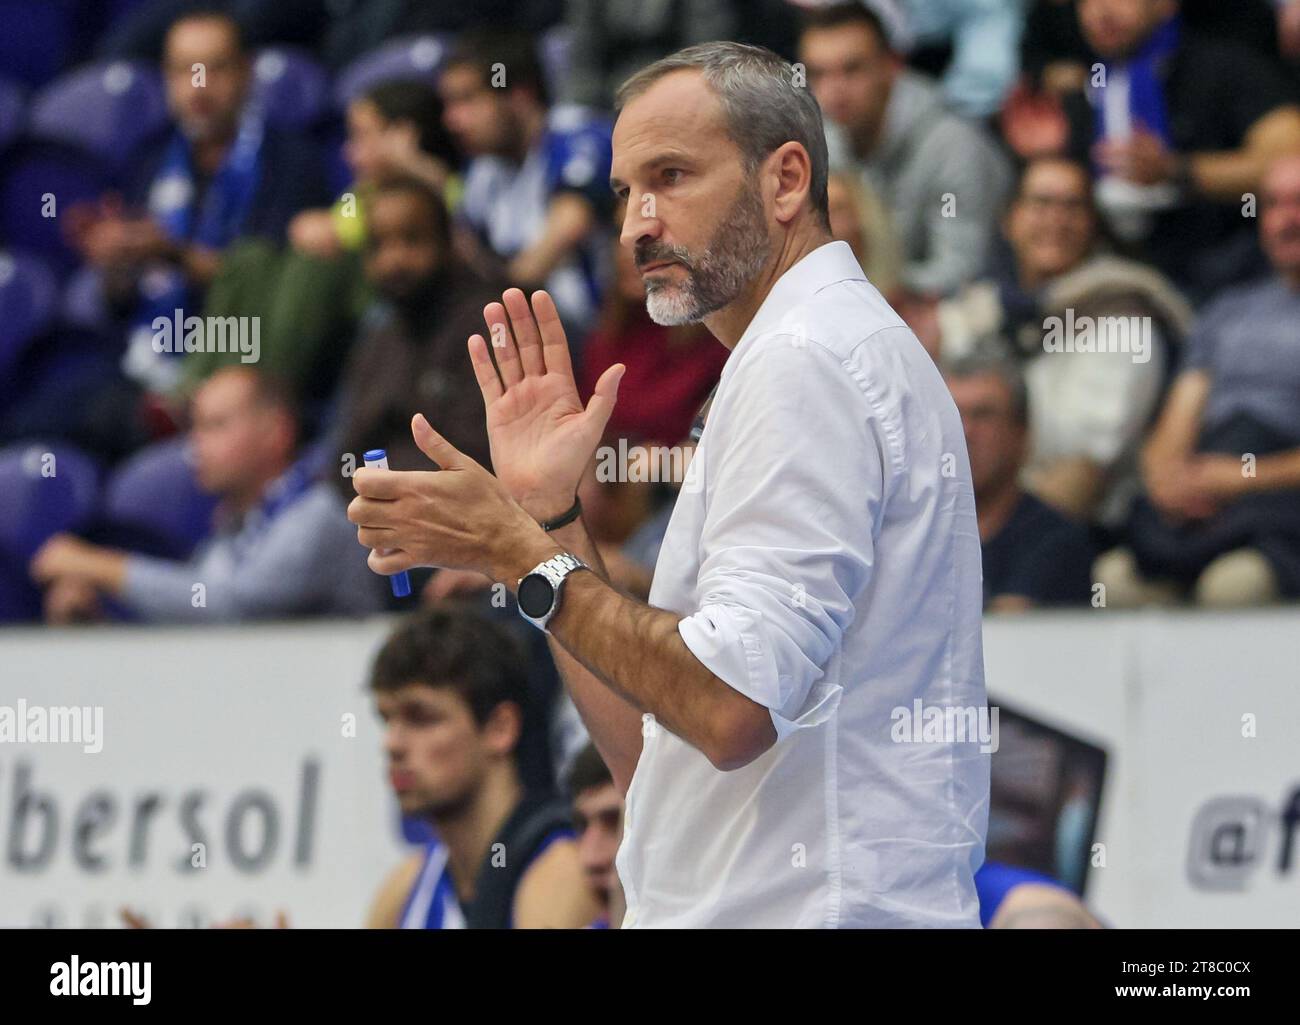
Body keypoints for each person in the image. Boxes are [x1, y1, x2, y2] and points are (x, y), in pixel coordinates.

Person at [348, 41, 990, 927]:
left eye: (672, 176)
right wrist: (551, 523)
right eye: (622, 193)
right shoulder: (808, 350)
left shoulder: (805, 362)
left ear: (787, 179)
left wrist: (519, 554)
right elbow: (659, 764)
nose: (635, 226)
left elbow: (731, 707)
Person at [67, 8, 330, 394]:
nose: (199, 86)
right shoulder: (149, 161)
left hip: (247, 365)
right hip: (146, 365)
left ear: (247, 71)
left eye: (215, 68)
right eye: (183, 70)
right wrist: (115, 263)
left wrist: (172, 254)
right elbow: (121, 306)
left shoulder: (292, 163)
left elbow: (271, 288)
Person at [936, 156, 1191, 524]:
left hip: (1084, 511)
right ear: (1010, 219)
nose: (1056, 221)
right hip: (974, 489)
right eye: (1040, 204)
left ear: (1092, 225)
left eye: (1072, 207)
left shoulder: (1125, 310)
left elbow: (1094, 448)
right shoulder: (977, 306)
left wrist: (995, 430)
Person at [1098, 154, 1300, 606]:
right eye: (1273, 205)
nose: (1286, 220)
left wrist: (1246, 479)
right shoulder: (1227, 312)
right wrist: (1172, 481)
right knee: (1114, 580)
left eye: (1298, 203)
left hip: (1281, 508)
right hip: (1212, 501)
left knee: (1231, 588)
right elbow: (1179, 416)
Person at [28, 367, 380, 623]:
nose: (195, 445)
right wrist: (94, 618)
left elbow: (236, 609)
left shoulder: (317, 516)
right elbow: (197, 630)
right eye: (194, 427)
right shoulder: (235, 525)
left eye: (216, 425)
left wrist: (101, 567)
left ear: (276, 432)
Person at [365, 606, 599, 929]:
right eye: (387, 719)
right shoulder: (403, 892)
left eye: (420, 718)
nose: (392, 744)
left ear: (500, 728)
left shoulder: (562, 873)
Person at [1073, 0, 1300, 301]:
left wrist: (1178, 170)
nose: (1101, 11)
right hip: (1120, 270)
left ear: (1166, 5)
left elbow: (1288, 157)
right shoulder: (1088, 85)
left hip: (1229, 274)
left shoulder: (1221, 67)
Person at [799, 2, 1013, 301]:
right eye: (819, 74)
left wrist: (859, 288)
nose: (834, 90)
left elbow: (962, 272)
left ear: (891, 66)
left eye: (852, 69)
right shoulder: (822, 142)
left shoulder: (954, 147)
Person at [439, 30, 614, 336]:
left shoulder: (576, 137)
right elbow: (467, 261)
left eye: (467, 100)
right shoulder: (483, 171)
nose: (452, 120)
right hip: (538, 331)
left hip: (599, 333)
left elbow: (536, 266)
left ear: (519, 95)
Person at [327, 177, 499, 480]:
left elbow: (477, 458)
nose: (394, 260)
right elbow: (346, 453)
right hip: (365, 504)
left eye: (412, 239)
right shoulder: (379, 338)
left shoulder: (486, 326)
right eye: (378, 245)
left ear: (448, 243)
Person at [945, 351, 1096, 610]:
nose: (965, 431)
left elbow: (1011, 637)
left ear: (1022, 433)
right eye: (952, 415)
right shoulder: (905, 534)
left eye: (983, 415)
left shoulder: (1057, 543)